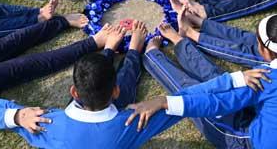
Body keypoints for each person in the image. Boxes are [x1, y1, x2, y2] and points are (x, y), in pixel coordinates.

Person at [128, 0, 277, 148]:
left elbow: (214, 103)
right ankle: (181, 43)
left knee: (198, 89)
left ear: (264, 51)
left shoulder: (267, 80)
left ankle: (152, 56)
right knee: (227, 81)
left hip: (247, 141)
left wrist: (164, 102)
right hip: (266, 121)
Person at [15, 22, 187, 148]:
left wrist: (16, 117)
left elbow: (5, 110)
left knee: (91, 75)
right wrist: (163, 101)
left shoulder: (49, 122)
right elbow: (184, 106)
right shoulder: (126, 122)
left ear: (73, 92)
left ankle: (110, 49)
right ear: (116, 91)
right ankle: (133, 49)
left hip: (78, 109)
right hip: (114, 110)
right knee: (126, 76)